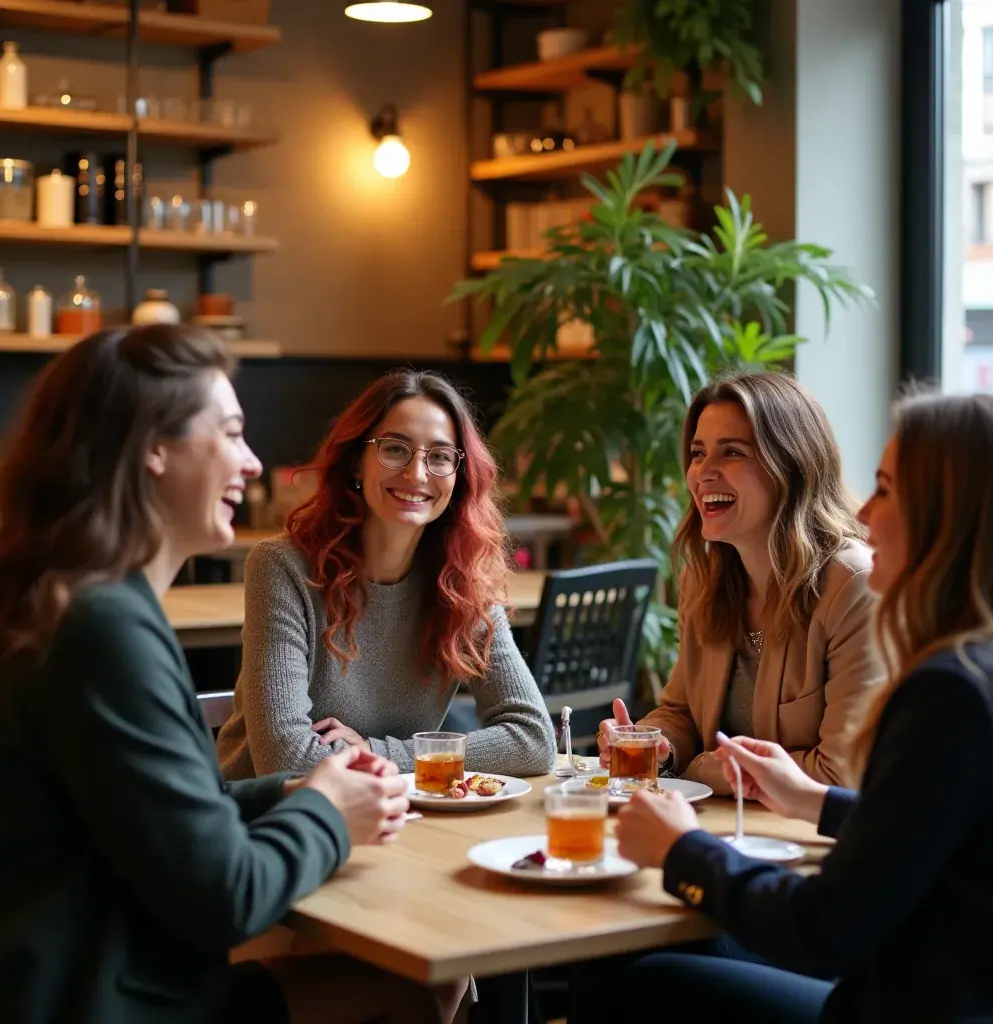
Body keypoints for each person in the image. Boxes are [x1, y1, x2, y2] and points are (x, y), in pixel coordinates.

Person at [0, 326, 464, 1024]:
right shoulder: (101, 628)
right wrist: (326, 813)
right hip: (94, 998)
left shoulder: (74, 601)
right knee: (416, 989)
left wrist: (292, 789)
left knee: (421, 983)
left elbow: (163, 814)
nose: (254, 463)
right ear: (154, 448)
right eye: (230, 433)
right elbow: (225, 895)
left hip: (73, 976)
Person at [607, 390, 993, 1022]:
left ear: (945, 517)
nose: (864, 514)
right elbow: (923, 824)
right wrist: (807, 797)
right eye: (698, 452)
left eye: (888, 490)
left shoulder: (948, 692)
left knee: (643, 982)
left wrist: (684, 851)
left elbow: (827, 929)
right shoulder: (972, 670)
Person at [216, 369, 556, 781]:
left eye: (441, 456)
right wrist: (417, 759)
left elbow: (534, 741)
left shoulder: (465, 582)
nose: (416, 474)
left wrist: (380, 753)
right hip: (275, 824)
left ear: (458, 478)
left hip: (393, 815)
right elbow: (287, 762)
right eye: (394, 449)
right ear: (357, 461)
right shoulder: (282, 568)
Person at [598, 372, 881, 792]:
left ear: (790, 464)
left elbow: (841, 774)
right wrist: (657, 746)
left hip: (809, 844)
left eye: (731, 452)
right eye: (697, 453)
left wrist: (700, 769)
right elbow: (682, 712)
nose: (702, 473)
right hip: (725, 831)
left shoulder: (854, 585)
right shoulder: (705, 577)